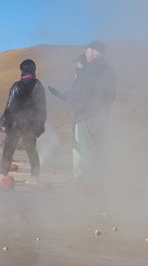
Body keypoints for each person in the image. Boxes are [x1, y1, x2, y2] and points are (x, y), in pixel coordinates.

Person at [48, 41, 115, 189]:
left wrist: (63, 96)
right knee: (98, 151)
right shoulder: (109, 70)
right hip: (101, 117)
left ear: (93, 51)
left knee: (86, 150)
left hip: (85, 117)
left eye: (87, 52)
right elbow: (111, 95)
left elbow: (79, 92)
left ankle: (90, 185)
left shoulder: (89, 69)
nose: (86, 55)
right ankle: (99, 182)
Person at [0, 59, 46, 183]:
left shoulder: (17, 86)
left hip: (16, 124)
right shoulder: (39, 86)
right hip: (31, 124)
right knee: (32, 149)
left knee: (9, 149)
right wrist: (40, 125)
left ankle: (3, 175)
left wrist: (2, 122)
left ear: (22, 70)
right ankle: (35, 177)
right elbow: (42, 108)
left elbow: (10, 107)